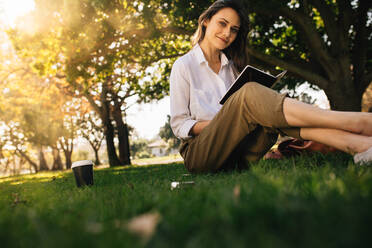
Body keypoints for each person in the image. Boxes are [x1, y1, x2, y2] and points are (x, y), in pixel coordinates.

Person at [170, 0, 372, 173]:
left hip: (240, 156)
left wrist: (239, 120)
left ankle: (361, 146)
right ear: (206, 21)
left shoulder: (231, 68)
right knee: (249, 95)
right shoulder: (183, 65)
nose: (227, 33)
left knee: (266, 109)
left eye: (234, 30)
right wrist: (225, 122)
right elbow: (179, 125)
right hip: (202, 154)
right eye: (222, 24)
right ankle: (358, 123)